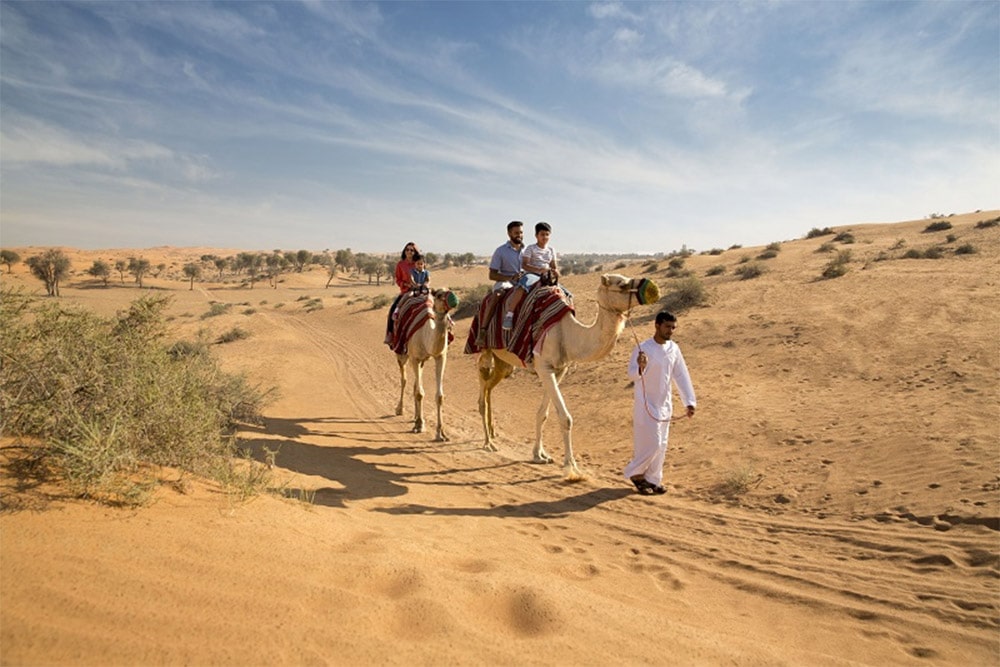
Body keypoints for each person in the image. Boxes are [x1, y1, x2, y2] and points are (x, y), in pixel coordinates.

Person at [623, 310, 696, 495]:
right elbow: (631, 374)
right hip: (646, 404)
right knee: (653, 443)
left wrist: (689, 402)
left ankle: (653, 479)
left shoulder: (674, 349)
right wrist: (641, 366)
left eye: (673, 327)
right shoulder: (643, 348)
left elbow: (681, 375)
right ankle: (635, 474)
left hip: (665, 404)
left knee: (662, 444)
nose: (670, 331)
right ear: (657, 325)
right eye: (667, 327)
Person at [502, 221, 558, 330]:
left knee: (565, 293)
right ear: (536, 235)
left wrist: (555, 271)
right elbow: (525, 265)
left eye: (547, 234)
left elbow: (554, 266)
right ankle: (509, 315)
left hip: (546, 276)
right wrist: (538, 270)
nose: (545, 237)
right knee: (522, 286)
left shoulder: (551, 250)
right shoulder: (531, 248)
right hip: (533, 274)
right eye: (542, 234)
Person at [385, 242, 420, 345]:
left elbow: (424, 274)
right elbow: (398, 279)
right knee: (393, 309)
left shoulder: (418, 263)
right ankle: (390, 334)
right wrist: (406, 284)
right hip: (406, 292)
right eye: (407, 249)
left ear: (415, 252)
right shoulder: (400, 264)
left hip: (419, 291)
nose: (409, 252)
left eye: (411, 250)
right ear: (404, 251)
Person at [488, 221, 525, 291]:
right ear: (509, 233)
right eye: (516, 233)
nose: (519, 235)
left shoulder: (528, 251)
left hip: (525, 283)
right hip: (506, 283)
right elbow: (492, 275)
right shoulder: (500, 251)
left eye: (521, 232)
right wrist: (511, 278)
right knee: (499, 292)